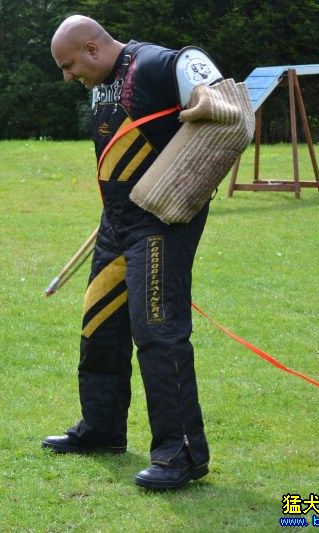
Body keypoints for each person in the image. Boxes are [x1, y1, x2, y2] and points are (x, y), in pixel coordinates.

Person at [43, 14, 214, 490]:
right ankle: (101, 430)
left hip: (161, 224)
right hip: (115, 224)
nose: (68, 76)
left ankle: (182, 454)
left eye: (69, 64)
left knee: (158, 333)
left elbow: (220, 101)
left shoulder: (159, 64)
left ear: (93, 49)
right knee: (100, 325)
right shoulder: (104, 79)